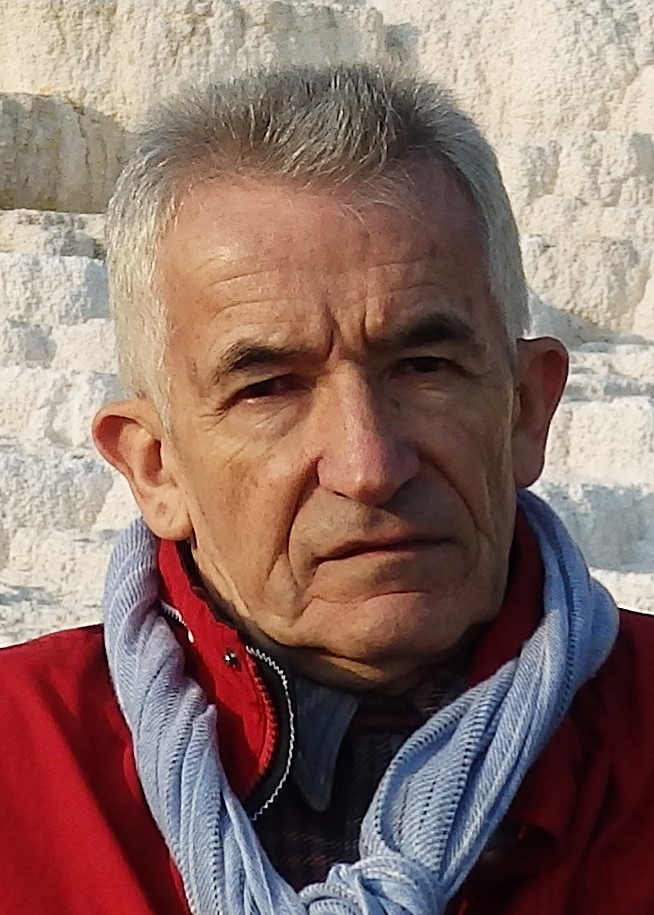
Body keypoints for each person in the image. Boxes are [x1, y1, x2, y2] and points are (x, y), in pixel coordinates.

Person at [1, 63, 653, 915]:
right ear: (156, 466)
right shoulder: (19, 764)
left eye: (424, 366)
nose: (367, 464)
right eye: (269, 387)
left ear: (527, 410)